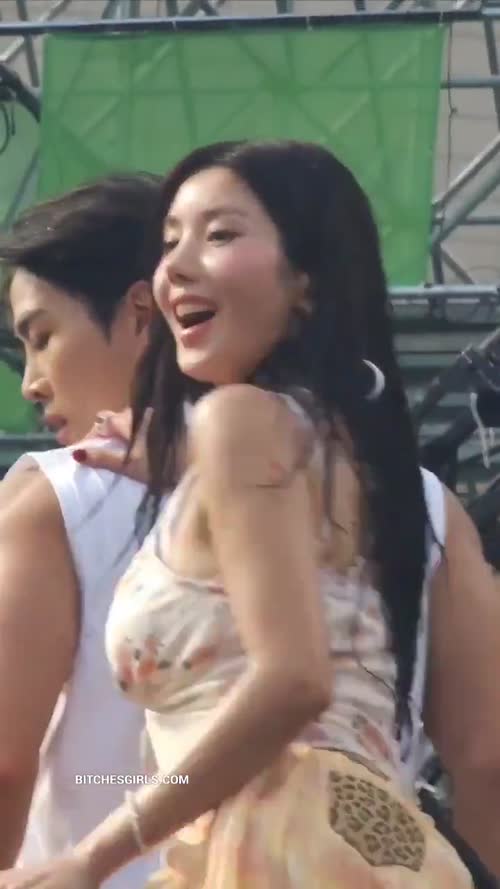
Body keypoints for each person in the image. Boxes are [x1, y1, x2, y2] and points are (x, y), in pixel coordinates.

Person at [3, 139, 500, 888]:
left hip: (265, 853)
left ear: (306, 281)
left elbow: (294, 678)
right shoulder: (399, 486)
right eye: (169, 242)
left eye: (220, 234)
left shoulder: (103, 474)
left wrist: (91, 857)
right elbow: (486, 753)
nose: (176, 267)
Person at [0, 174, 164, 886]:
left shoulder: (59, 498)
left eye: (42, 338)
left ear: (142, 314)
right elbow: (483, 753)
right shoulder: (411, 498)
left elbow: (4, 761)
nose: (31, 381)